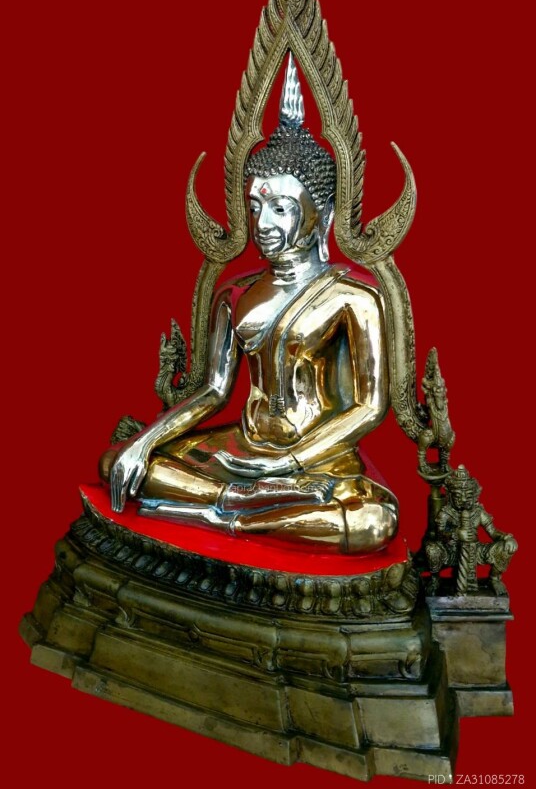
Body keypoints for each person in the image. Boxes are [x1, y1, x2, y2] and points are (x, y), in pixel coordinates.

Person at [100, 57, 398, 553]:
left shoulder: (354, 298)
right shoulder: (235, 293)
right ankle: (241, 502)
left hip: (318, 458)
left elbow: (369, 407)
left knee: (373, 522)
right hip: (241, 448)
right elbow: (214, 391)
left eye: (281, 208)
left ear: (321, 216)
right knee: (120, 463)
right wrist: (145, 441)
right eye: (255, 207)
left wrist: (288, 463)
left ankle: (225, 519)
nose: (263, 224)